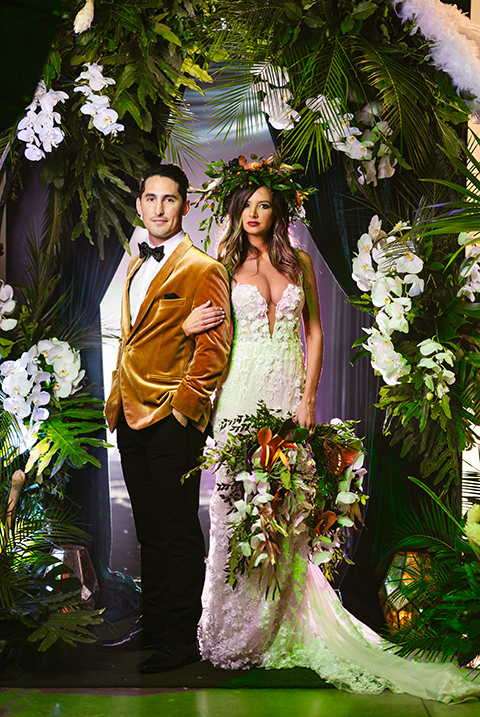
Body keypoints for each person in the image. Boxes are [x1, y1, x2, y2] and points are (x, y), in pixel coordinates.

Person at [184, 155, 479, 703]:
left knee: (290, 514)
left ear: (278, 211)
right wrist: (186, 327)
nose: (254, 214)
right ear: (236, 211)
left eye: (264, 205)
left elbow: (315, 330)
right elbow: (205, 333)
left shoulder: (298, 262)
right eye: (247, 206)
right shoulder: (220, 267)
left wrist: (309, 396)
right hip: (239, 392)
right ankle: (233, 631)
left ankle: (283, 625)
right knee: (236, 514)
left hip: (288, 388)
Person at [99, 163, 231, 673]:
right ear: (139, 205)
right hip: (129, 414)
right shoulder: (134, 264)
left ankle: (181, 636)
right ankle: (153, 626)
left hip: (172, 418)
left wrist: (184, 413)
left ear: (184, 206)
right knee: (149, 530)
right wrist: (116, 398)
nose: (158, 208)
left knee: (177, 529)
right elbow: (135, 340)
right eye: (150, 199)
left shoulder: (203, 269)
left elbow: (212, 354)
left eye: (169, 200)